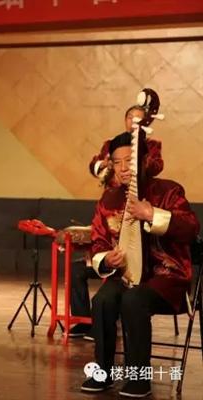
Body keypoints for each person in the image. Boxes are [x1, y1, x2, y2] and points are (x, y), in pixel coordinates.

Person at [80, 132, 199, 397]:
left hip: (167, 277)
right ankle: (103, 372)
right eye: (117, 162)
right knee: (103, 300)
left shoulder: (168, 191)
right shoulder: (108, 200)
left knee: (133, 300)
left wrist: (151, 213)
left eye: (129, 161)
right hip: (127, 275)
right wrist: (106, 259)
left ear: (143, 160)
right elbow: (98, 242)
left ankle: (138, 378)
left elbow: (191, 228)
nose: (123, 168)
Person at [70, 105, 166, 339]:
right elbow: (94, 165)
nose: (134, 123)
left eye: (139, 120)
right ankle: (86, 323)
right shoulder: (112, 145)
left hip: (138, 216)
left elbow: (155, 167)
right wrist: (104, 166)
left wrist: (138, 157)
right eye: (131, 119)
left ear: (147, 123)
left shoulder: (151, 147)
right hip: (112, 207)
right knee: (81, 271)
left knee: (128, 288)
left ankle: (120, 316)